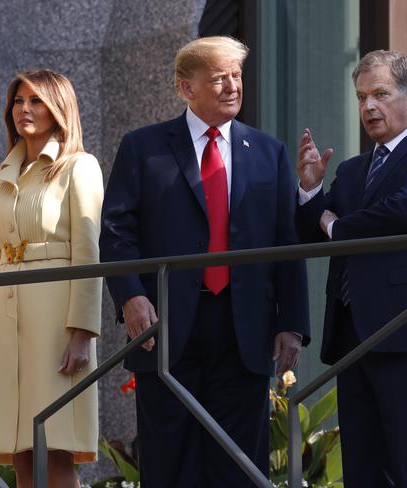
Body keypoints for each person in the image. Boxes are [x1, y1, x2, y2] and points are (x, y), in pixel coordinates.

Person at [99, 36, 310, 487]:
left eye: (237, 76)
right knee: (168, 460)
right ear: (185, 88)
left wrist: (291, 322)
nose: (233, 86)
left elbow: (286, 242)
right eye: (219, 78)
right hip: (166, 327)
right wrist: (132, 296)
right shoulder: (144, 148)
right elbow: (117, 233)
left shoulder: (268, 152)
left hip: (244, 328)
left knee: (237, 464)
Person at [296, 50, 407, 488]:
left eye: (380, 94)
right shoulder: (351, 172)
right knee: (362, 471)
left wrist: (337, 224)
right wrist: (311, 190)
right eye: (361, 96)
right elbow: (312, 235)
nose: (368, 106)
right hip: (352, 338)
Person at [0, 69, 103, 488]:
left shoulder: (79, 166)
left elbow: (90, 252)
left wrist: (82, 331)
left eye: (36, 101)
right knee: (19, 452)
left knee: (55, 450)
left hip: (55, 319)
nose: (24, 109)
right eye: (19, 101)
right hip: (2, 323)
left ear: (58, 108)